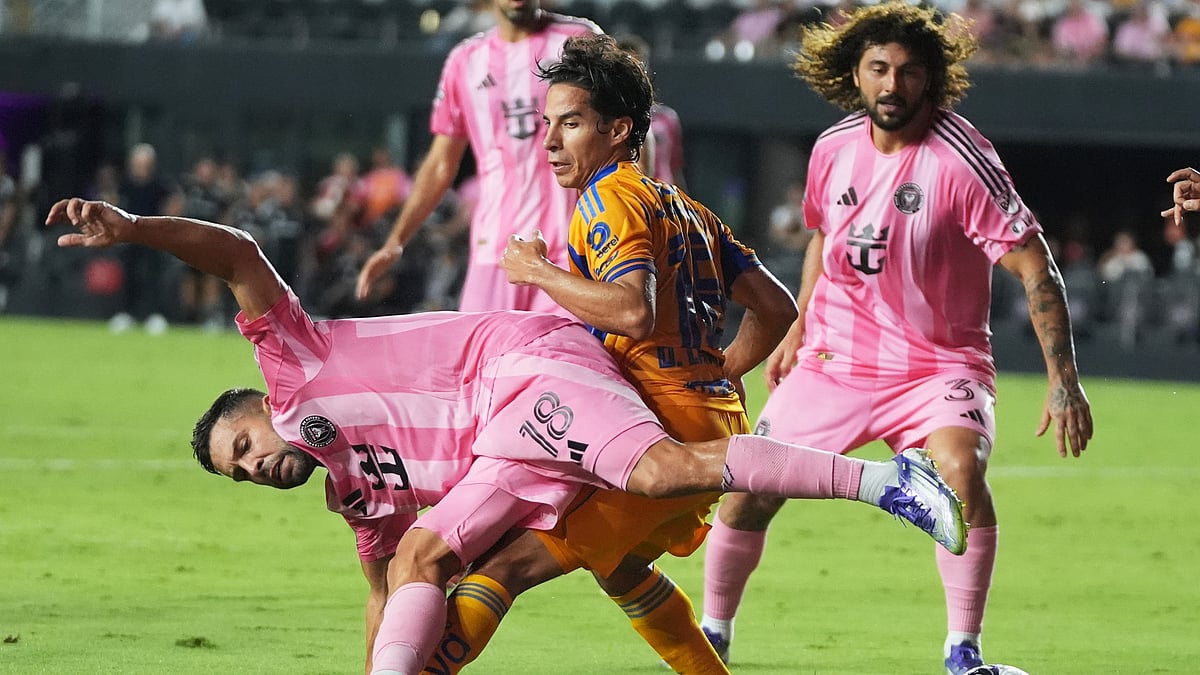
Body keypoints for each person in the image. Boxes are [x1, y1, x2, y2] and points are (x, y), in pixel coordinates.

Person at [47, 196, 967, 675]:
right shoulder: (357, 494)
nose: (255, 466)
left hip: (521, 367)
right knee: (428, 561)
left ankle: (892, 482)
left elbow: (239, 253)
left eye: (240, 446)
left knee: (658, 473)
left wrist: (134, 230)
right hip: (507, 450)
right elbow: (383, 593)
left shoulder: (292, 371)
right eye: (240, 477)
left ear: (255, 407)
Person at [695, 4, 1094, 674]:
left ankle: (964, 653)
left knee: (960, 474)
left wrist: (1065, 380)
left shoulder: (962, 160)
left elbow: (1035, 263)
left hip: (939, 366)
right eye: (878, 68)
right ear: (856, 73)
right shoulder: (832, 148)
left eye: (909, 72)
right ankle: (712, 630)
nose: (891, 84)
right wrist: (799, 323)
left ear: (930, 82)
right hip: (837, 358)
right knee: (749, 484)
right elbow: (824, 235)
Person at [434, 32, 798, 675]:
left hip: (661, 430)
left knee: (503, 566)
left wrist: (538, 271)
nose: (548, 141)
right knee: (623, 567)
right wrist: (722, 370)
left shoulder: (607, 199)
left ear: (617, 129)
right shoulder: (685, 206)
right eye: (547, 123)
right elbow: (777, 308)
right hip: (710, 417)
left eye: (569, 123)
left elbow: (633, 309)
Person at [355, 0, 599, 315]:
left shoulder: (579, 41)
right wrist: (396, 241)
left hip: (571, 249)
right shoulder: (465, 61)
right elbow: (441, 162)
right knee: (484, 360)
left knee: (564, 360)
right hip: (494, 251)